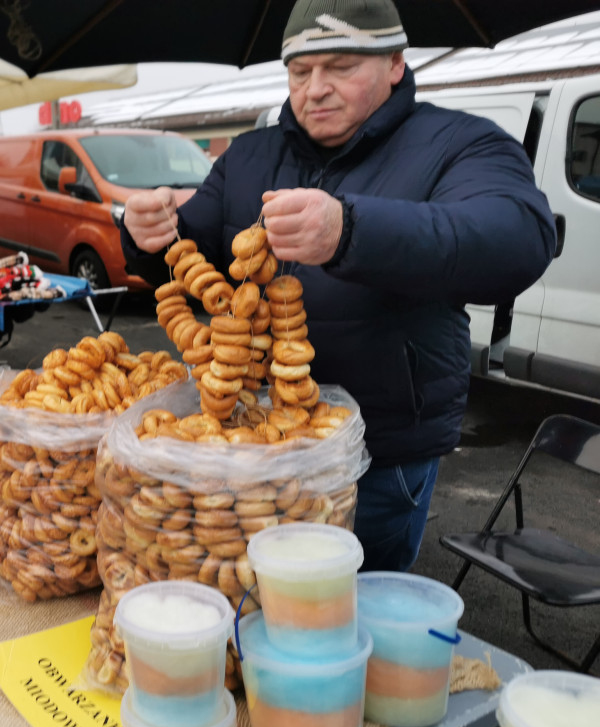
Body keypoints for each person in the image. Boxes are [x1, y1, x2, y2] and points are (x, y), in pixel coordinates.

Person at [121, 0, 557, 572]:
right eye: (300, 72)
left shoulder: (462, 142)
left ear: (395, 64)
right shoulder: (251, 154)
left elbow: (518, 238)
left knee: (350, 602)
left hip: (379, 452)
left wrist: (350, 231)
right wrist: (145, 235)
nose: (315, 89)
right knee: (239, 591)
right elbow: (191, 252)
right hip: (252, 439)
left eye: (341, 66)